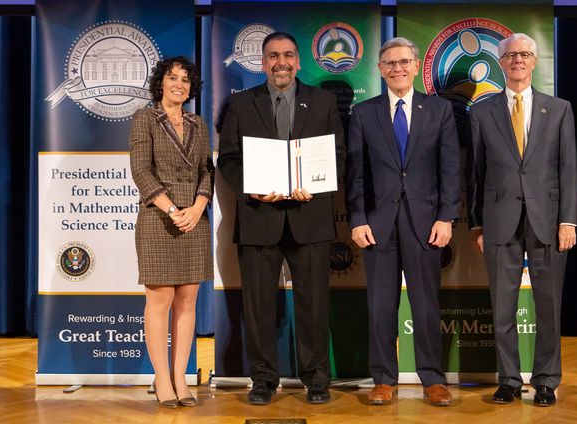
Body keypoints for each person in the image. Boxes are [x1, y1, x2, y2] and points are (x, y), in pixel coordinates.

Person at [217, 32, 345, 405]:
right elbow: (227, 160)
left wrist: (318, 187)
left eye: (288, 55)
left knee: (314, 305)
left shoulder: (322, 102)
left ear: (299, 61)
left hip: (310, 216)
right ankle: (262, 379)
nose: (281, 62)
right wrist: (251, 189)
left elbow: (337, 155)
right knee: (258, 307)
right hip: (260, 217)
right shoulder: (242, 105)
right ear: (263, 62)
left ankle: (316, 379)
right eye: (273, 56)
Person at [346, 37, 460, 406]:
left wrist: (446, 216)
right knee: (380, 307)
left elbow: (449, 168)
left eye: (404, 62)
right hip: (377, 225)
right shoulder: (364, 113)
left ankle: (433, 380)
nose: (397, 68)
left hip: (425, 223)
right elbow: (356, 174)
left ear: (415, 66)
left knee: (426, 305)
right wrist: (358, 218)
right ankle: (383, 379)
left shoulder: (440, 110)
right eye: (390, 63)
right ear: (380, 69)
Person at [467, 33, 577, 406]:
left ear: (534, 62)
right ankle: (509, 380)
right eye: (511, 55)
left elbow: (568, 169)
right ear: (501, 62)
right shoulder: (482, 111)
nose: (518, 60)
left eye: (525, 54)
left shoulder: (559, 108)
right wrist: (477, 224)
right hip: (499, 221)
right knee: (503, 307)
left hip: (548, 220)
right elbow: (476, 173)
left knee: (548, 306)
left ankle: (546, 380)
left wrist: (569, 221)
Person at [129, 56, 213, 408]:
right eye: (172, 78)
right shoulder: (144, 119)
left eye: (185, 80)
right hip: (158, 218)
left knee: (187, 303)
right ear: (160, 83)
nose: (179, 84)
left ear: (192, 87)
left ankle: (181, 376)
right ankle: (161, 378)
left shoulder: (199, 122)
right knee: (159, 301)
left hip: (194, 220)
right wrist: (173, 210)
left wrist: (197, 207)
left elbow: (206, 170)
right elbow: (141, 171)